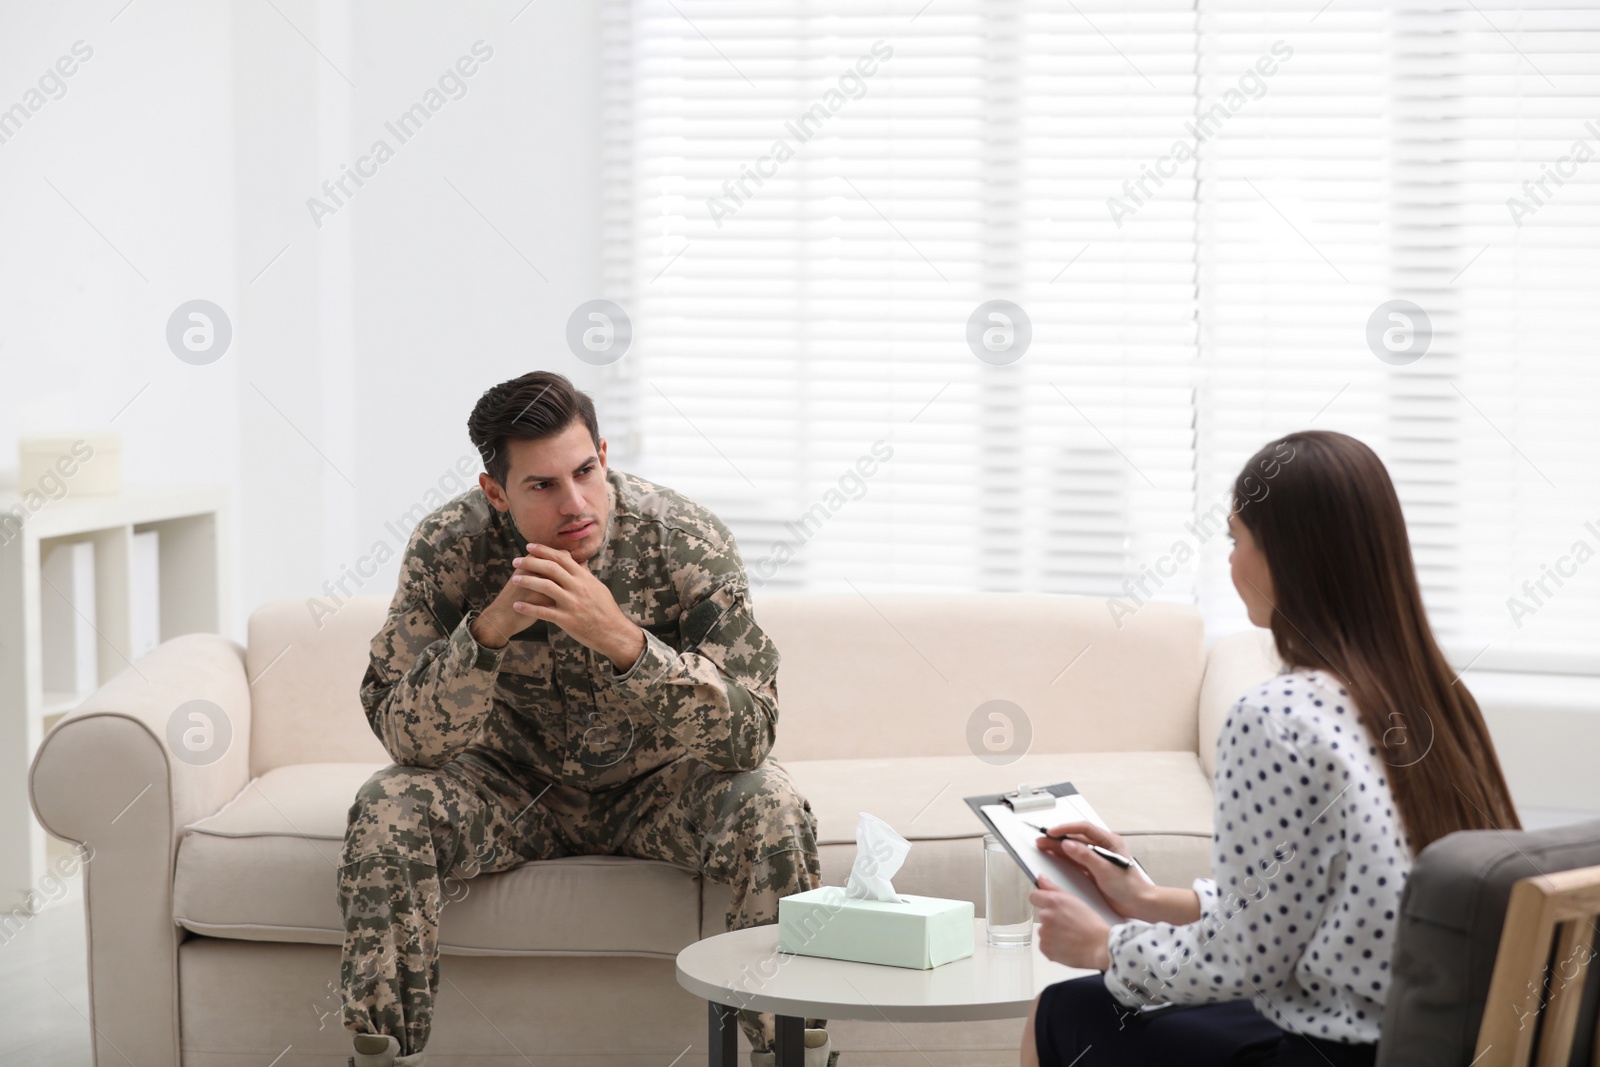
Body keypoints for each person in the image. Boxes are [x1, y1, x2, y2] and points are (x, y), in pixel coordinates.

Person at [338, 371, 832, 1067]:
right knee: (386, 806)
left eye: (585, 471)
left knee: (773, 805)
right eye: (541, 485)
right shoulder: (449, 546)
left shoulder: (684, 539)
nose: (575, 503)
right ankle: (381, 1056)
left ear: (603, 451)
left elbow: (751, 734)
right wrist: (486, 633)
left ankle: (789, 1058)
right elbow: (406, 738)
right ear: (496, 492)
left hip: (658, 791)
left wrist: (625, 642)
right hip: (511, 792)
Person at [1021, 430, 1521, 1067]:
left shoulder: (1276, 718)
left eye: (1236, 540)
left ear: (1286, 554)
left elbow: (1245, 960)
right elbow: (1324, 900)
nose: (1230, 564)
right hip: (1434, 1042)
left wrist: (1105, 947)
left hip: (1335, 1050)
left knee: (1067, 1009)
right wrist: (1157, 902)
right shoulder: (1437, 701)